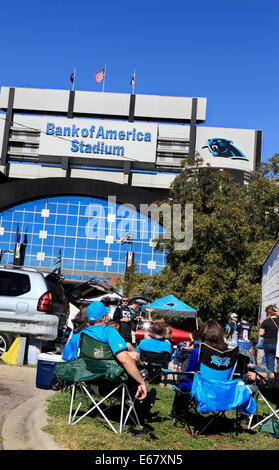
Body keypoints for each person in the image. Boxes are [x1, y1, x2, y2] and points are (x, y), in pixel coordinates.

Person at [171, 320, 227, 422]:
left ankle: (177, 414)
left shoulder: (198, 351)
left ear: (203, 334)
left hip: (200, 387)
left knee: (181, 380)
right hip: (220, 388)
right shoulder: (226, 353)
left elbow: (190, 370)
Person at [259, 305, 279, 372]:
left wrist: (267, 334)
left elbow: (261, 333)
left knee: (270, 364)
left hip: (268, 344)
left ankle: (270, 379)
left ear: (268, 313)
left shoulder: (265, 322)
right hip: (278, 344)